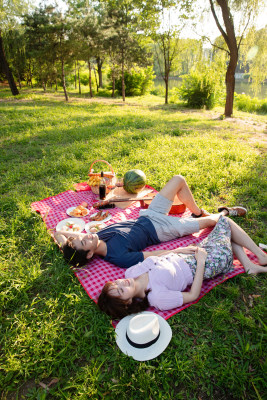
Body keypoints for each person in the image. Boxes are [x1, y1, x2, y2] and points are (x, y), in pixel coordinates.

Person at [54, 175, 247, 268]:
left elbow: (58, 233)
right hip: (162, 230)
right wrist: (181, 250)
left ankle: (196, 212)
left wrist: (67, 247)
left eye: (81, 237)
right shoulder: (118, 257)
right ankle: (226, 212)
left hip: (148, 215)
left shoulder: (95, 236)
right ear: (89, 255)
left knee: (178, 180)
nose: (85, 235)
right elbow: (154, 254)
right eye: (83, 241)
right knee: (209, 222)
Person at [97, 215, 267, 319]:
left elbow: (159, 257)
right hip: (208, 263)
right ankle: (259, 256)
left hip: (189, 254)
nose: (121, 283)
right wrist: (201, 261)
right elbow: (192, 295)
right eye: (120, 291)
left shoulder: (131, 272)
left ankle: (249, 266)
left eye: (116, 284)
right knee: (226, 223)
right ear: (127, 303)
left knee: (225, 234)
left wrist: (179, 249)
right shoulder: (156, 298)